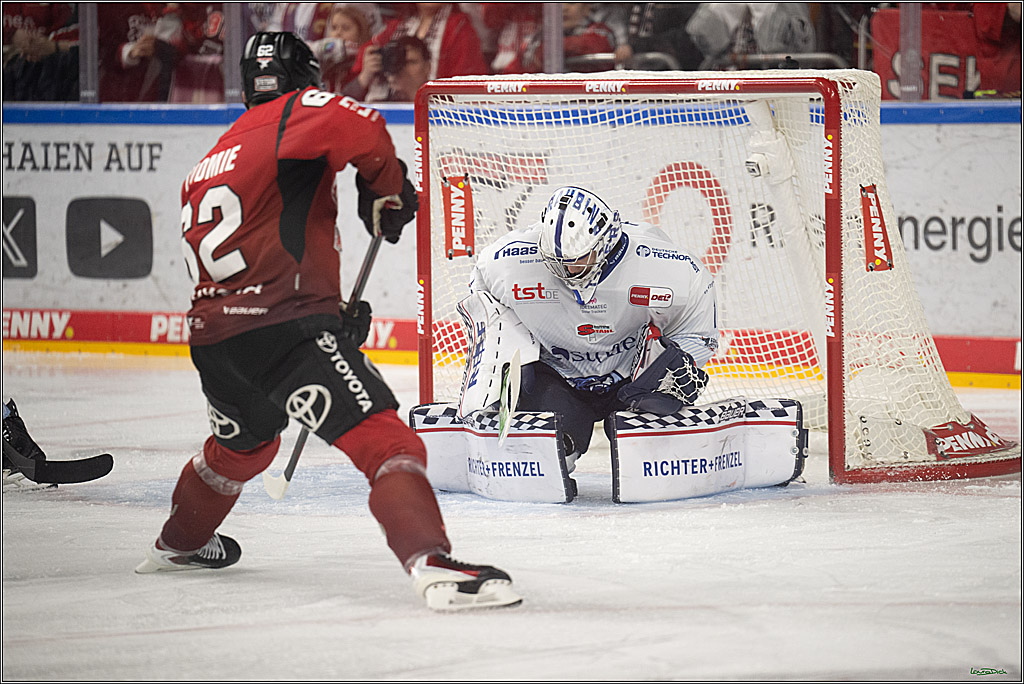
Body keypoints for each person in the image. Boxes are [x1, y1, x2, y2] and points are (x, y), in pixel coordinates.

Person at [134, 31, 520, 613]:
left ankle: (177, 544)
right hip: (282, 329)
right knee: (388, 440)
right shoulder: (297, 109)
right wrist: (384, 189)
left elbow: (262, 245)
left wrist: (328, 315)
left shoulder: (213, 156)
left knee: (242, 450)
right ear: (304, 78)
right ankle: (433, 566)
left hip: (216, 339)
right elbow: (365, 128)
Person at [466, 186, 719, 474]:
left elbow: (699, 325)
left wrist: (679, 363)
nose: (568, 271)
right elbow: (482, 307)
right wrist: (498, 368)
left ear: (606, 243)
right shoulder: (504, 263)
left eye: (578, 259)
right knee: (548, 456)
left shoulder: (668, 265)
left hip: (633, 381)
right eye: (558, 262)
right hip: (558, 378)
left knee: (646, 454)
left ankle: (651, 432)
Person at [347, 3, 486, 101]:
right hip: (388, 107)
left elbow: (465, 87)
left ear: (428, 66)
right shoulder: (394, 28)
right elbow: (363, 61)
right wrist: (366, 73)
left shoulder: (461, 29)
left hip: (437, 116)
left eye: (412, 62)